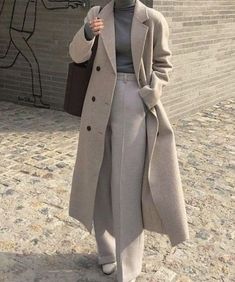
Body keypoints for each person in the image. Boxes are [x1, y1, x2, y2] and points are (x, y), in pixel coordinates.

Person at [68, 0, 190, 281]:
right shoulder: (97, 14)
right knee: (99, 179)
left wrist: (151, 92)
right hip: (98, 102)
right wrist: (87, 33)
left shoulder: (154, 19)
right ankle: (106, 252)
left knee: (126, 185)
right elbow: (76, 56)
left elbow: (163, 63)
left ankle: (128, 267)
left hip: (134, 101)